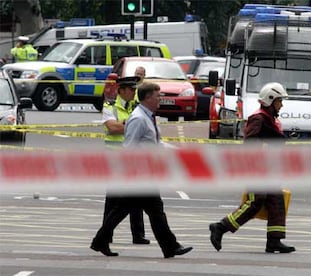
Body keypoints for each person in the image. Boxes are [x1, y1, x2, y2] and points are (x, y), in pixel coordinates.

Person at [91, 82, 193, 258]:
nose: (160, 98)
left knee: (129, 210)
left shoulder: (148, 117)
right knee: (149, 210)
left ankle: (100, 241)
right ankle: (170, 246)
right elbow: (129, 147)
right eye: (157, 96)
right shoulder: (138, 119)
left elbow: (156, 144)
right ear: (147, 98)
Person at [209, 82, 296, 254]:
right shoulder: (258, 118)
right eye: (279, 101)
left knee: (276, 201)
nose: (282, 104)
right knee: (255, 202)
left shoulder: (270, 118)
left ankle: (274, 241)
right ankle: (220, 227)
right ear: (270, 100)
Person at [101, 76, 149, 245]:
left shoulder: (137, 106)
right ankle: (106, 235)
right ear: (121, 90)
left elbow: (145, 126)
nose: (134, 92)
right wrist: (131, 124)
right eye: (131, 89)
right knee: (113, 199)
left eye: (135, 89)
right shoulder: (110, 105)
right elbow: (112, 128)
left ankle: (138, 235)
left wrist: (125, 123)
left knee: (137, 197)